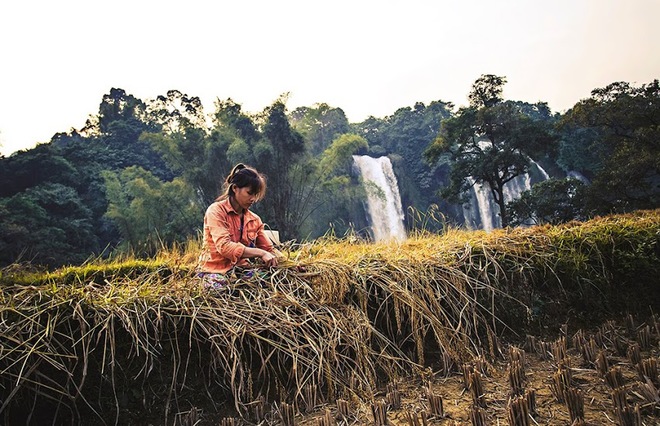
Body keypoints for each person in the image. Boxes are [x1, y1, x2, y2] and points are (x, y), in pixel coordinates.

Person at [198, 163, 279, 290]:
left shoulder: (254, 219)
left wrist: (292, 265)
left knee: (271, 281)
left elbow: (268, 249)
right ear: (235, 188)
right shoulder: (216, 211)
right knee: (218, 289)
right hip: (215, 271)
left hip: (241, 271)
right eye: (249, 193)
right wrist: (260, 253)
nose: (253, 199)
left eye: (255, 195)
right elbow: (224, 247)